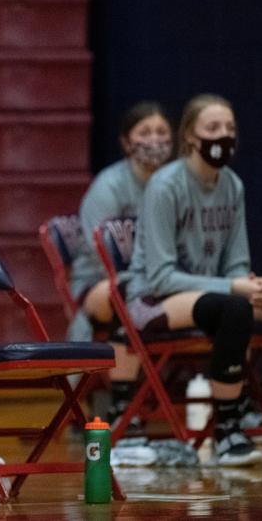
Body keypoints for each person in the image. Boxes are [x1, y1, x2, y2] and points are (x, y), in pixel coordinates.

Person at [124, 93, 262, 466]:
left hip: (215, 295)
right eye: (213, 128)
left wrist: (248, 285)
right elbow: (162, 277)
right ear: (191, 138)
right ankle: (228, 430)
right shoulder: (165, 186)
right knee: (233, 308)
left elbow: (236, 263)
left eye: (230, 128)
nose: (224, 136)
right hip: (152, 299)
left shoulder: (232, 185)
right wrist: (234, 287)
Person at [66, 101, 173, 427]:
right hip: (98, 282)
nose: (154, 140)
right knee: (124, 294)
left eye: (162, 132)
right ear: (127, 142)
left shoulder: (173, 183)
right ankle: (122, 404)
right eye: (145, 132)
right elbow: (102, 257)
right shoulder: (108, 187)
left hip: (156, 280)